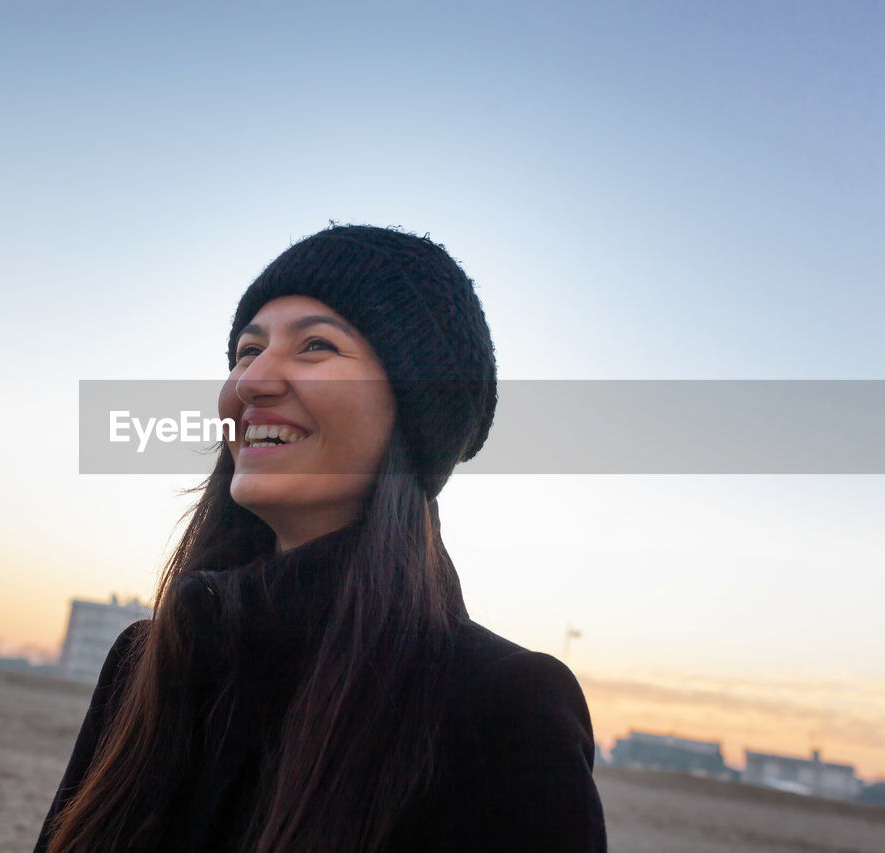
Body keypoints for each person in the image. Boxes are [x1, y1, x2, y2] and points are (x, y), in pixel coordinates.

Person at [35, 225, 607, 852]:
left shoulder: (504, 708)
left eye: (314, 345)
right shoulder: (147, 663)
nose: (252, 381)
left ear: (413, 415)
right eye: (246, 351)